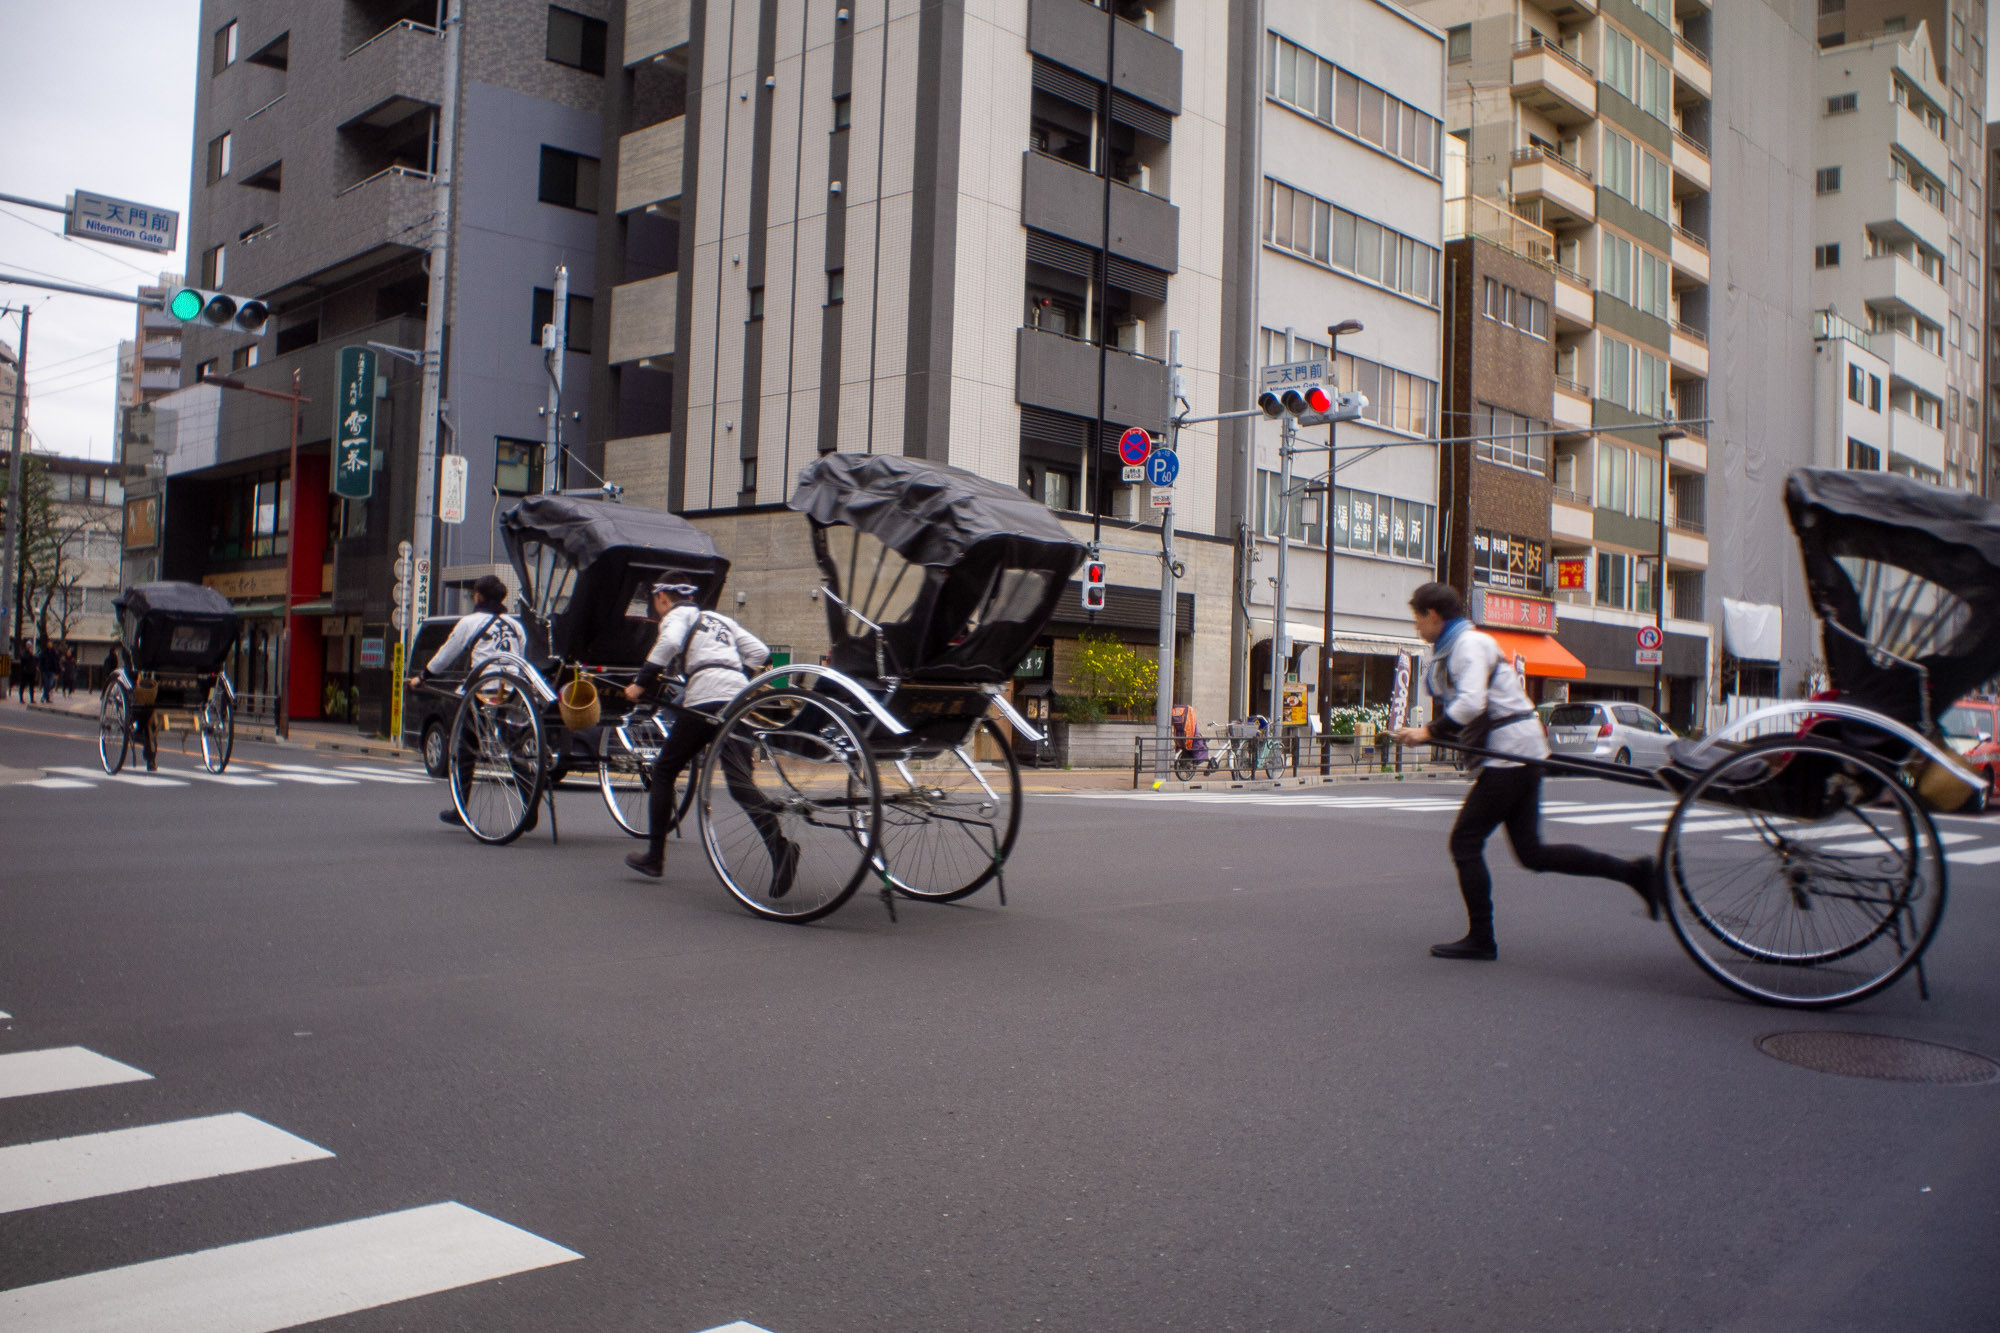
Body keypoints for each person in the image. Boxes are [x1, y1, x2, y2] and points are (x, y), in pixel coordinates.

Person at [1391, 582, 1658, 961]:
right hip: (1519, 750)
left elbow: (1471, 703)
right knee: (1531, 853)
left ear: (1432, 615)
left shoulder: (1467, 644)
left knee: (1465, 841)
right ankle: (1634, 873)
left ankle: (1482, 938)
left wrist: (1429, 732)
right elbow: (1473, 706)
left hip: (1512, 753)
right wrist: (1425, 734)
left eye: (1417, 617)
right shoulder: (1461, 645)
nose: (1417, 626)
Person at [621, 582, 795, 891]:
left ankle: (654, 857)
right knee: (740, 783)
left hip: (704, 699)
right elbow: (760, 652)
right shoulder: (721, 619)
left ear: (662, 598)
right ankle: (780, 848)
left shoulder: (677, 616)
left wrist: (640, 683)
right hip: (737, 699)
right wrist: (733, 674)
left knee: (664, 771)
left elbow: (669, 641)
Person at [405, 574, 530, 827]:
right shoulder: (515, 626)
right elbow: (521, 655)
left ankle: (460, 808)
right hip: (513, 690)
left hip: (483, 690)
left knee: (465, 745)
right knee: (514, 748)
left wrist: (423, 677)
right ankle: (530, 804)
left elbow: (445, 655)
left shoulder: (470, 622)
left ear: (479, 597)